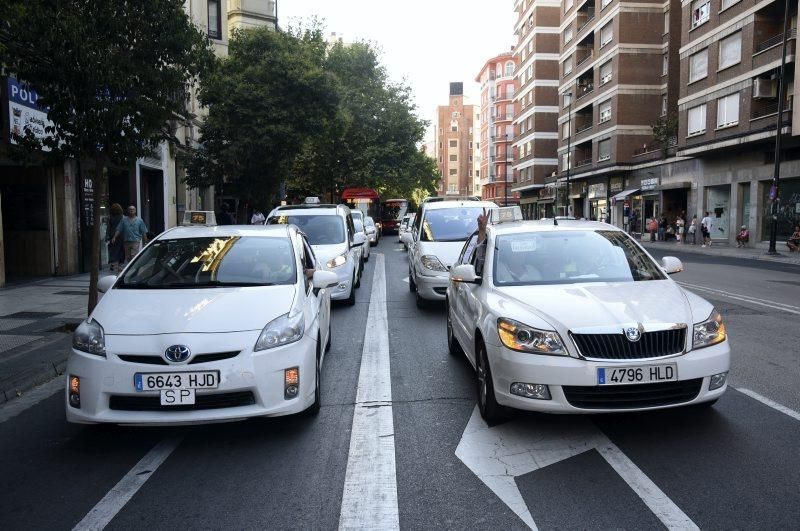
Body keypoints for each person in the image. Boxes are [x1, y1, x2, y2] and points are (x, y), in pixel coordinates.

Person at [105, 203, 125, 272]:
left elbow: (108, 227)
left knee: (113, 250)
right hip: (121, 235)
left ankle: (113, 264)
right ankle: (120, 265)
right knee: (121, 250)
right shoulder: (122, 217)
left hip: (112, 235)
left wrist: (107, 236)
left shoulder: (110, 217)